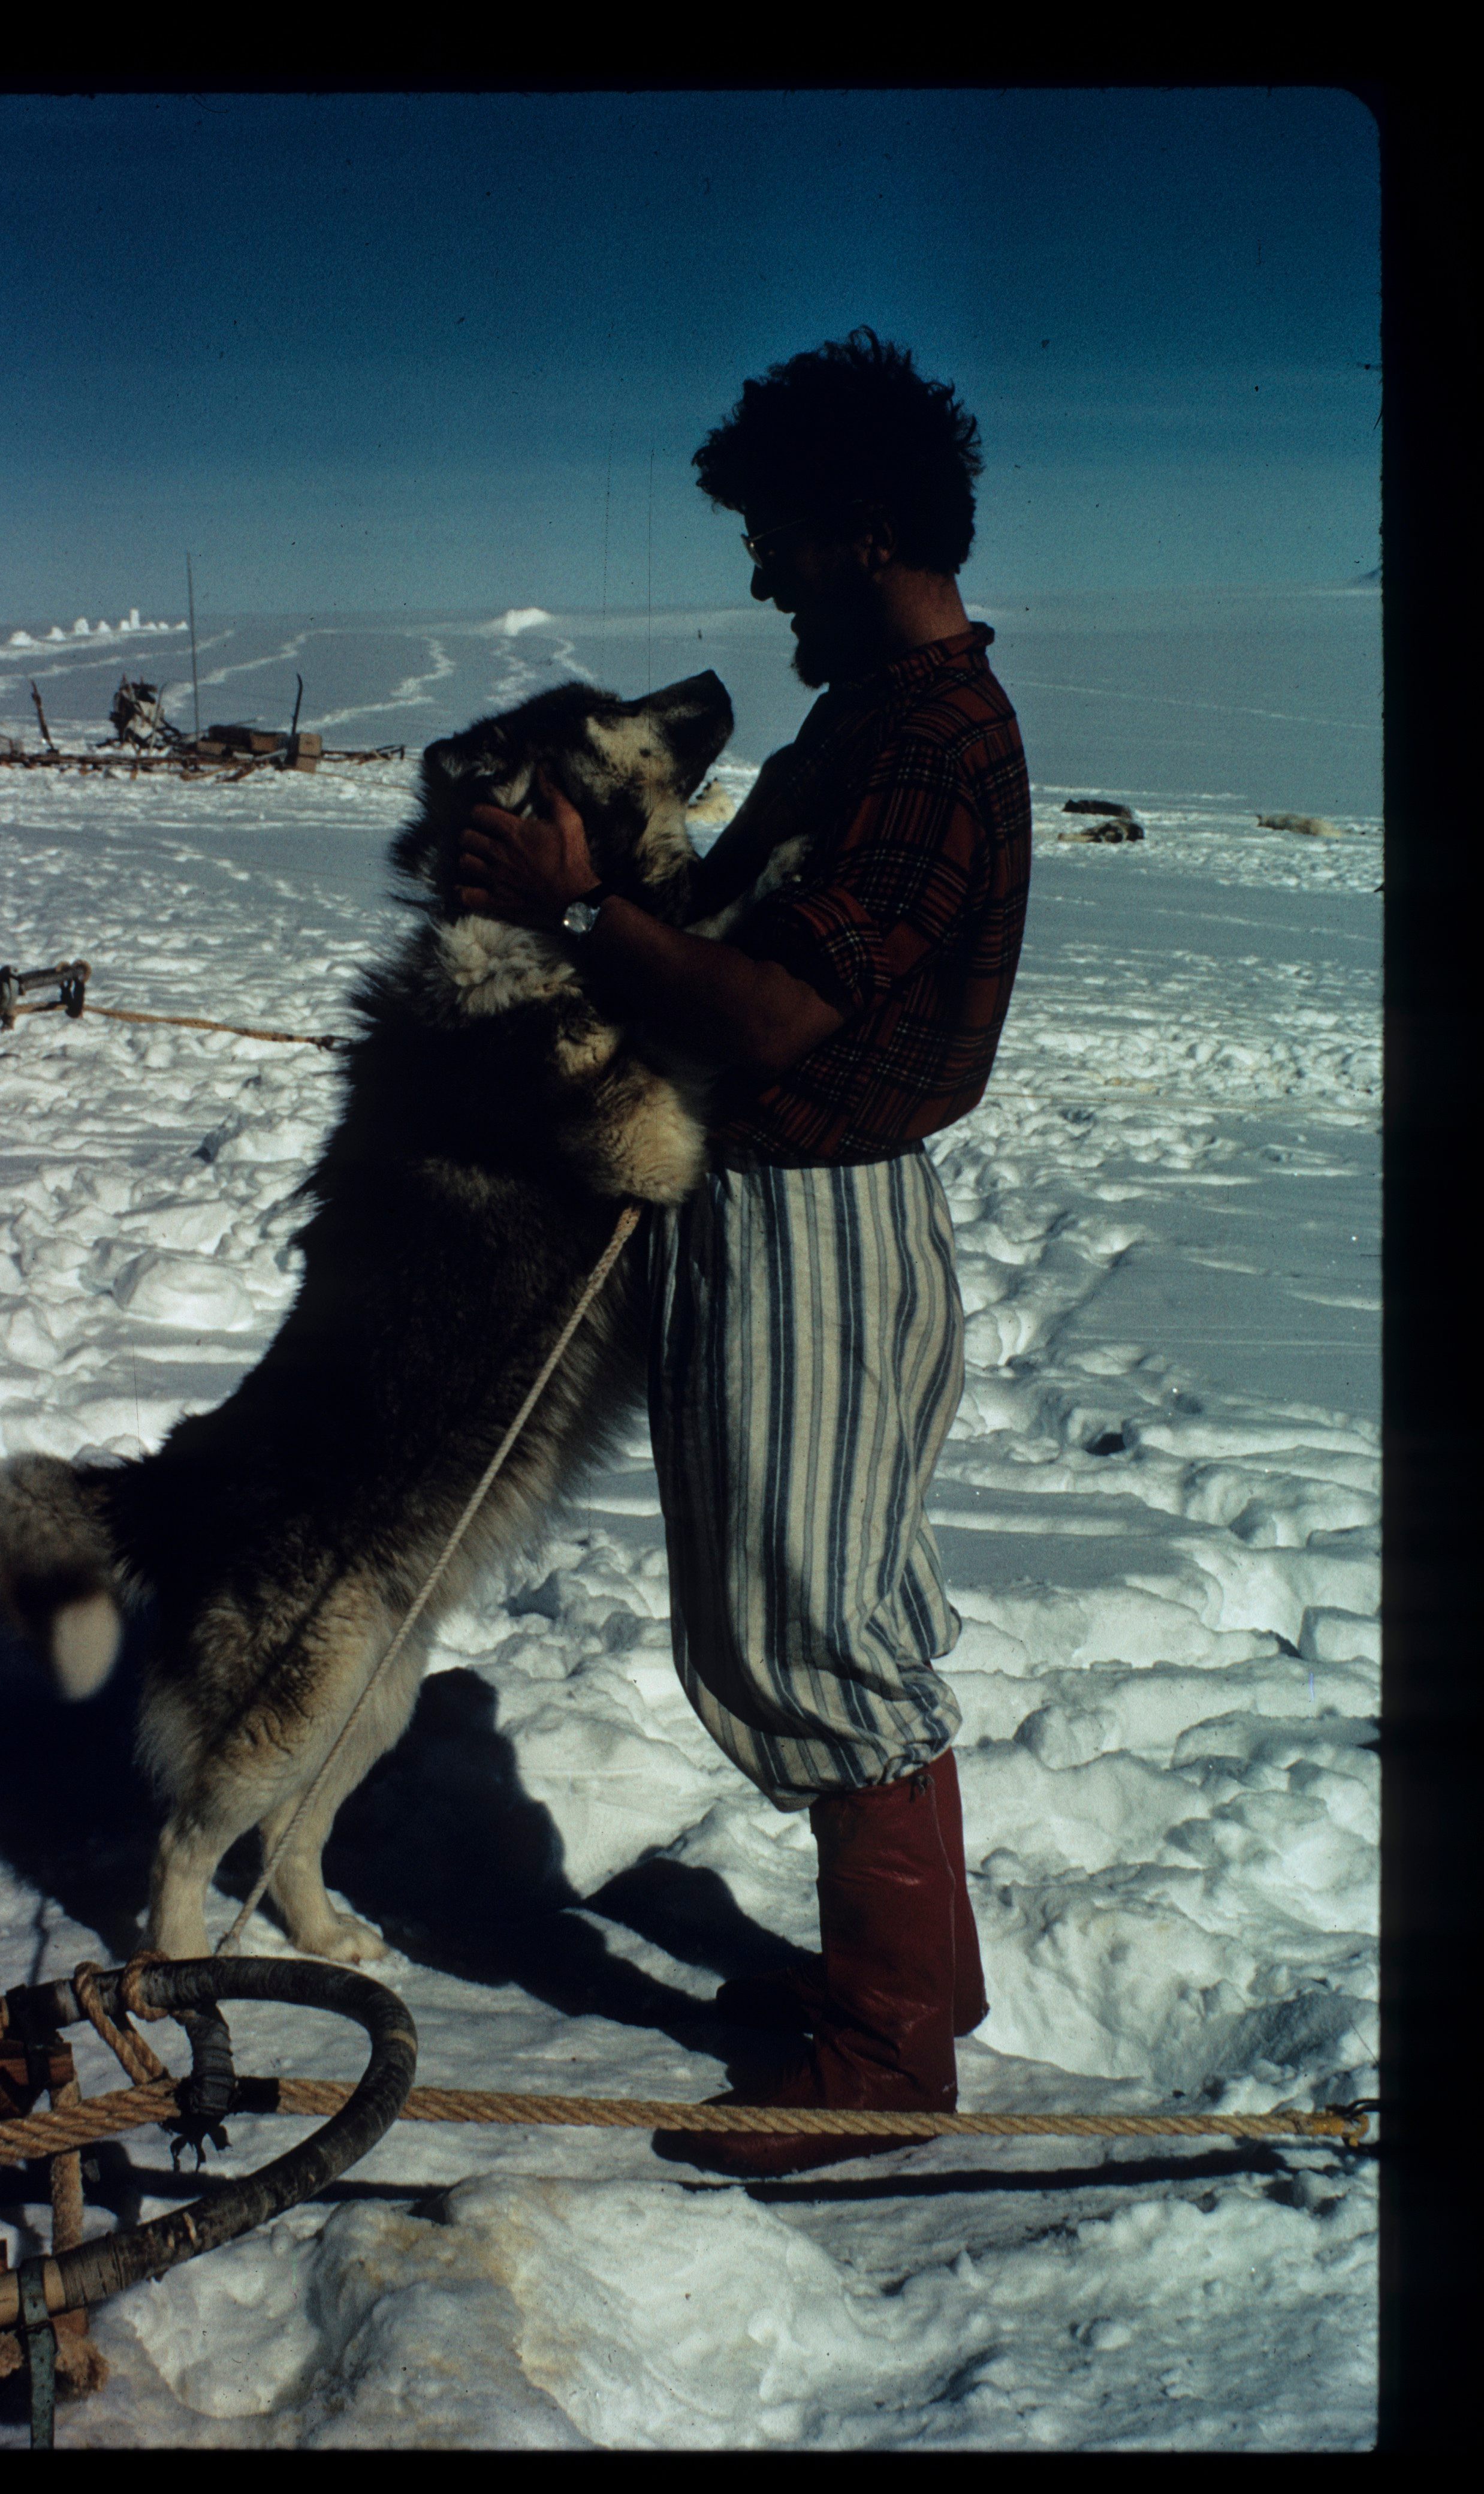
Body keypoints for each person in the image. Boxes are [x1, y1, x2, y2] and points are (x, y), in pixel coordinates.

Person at [456, 329, 1032, 2174]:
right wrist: (587, 905)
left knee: (811, 1616)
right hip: (768, 1212)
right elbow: (734, 931)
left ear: (859, 529)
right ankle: (911, 1994)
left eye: (777, 536)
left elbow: (778, 1016)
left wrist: (583, 908)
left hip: (816, 1213)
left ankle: (884, 2054)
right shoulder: (869, 722)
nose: (759, 575)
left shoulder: (931, 743)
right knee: (797, 1603)